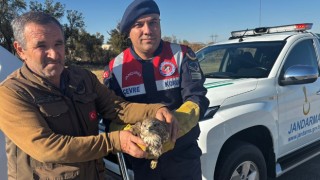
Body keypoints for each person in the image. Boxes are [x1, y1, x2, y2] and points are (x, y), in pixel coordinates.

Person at [0, 11, 179, 180]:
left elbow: (117, 107)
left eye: (58, 44)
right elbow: (46, 147)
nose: (54, 54)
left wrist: (156, 109)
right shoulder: (10, 93)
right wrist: (115, 141)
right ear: (20, 49)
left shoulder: (82, 78)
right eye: (41, 46)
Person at [103, 0, 209, 179]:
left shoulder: (182, 55)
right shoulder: (115, 68)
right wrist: (141, 137)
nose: (148, 30)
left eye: (153, 22)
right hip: (142, 162)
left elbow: (197, 99)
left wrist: (171, 127)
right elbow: (111, 115)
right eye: (139, 25)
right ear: (128, 32)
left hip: (183, 158)